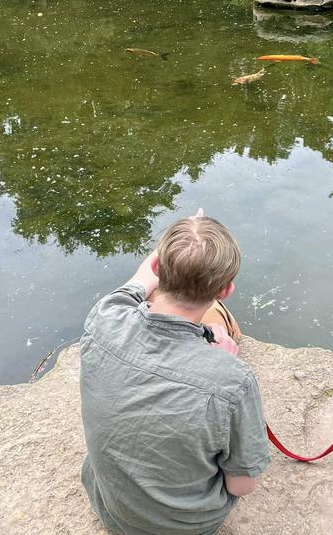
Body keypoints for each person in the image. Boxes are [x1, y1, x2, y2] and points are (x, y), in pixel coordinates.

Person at [79, 209, 271, 535]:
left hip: (111, 510)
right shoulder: (232, 380)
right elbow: (242, 485)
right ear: (225, 291)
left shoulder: (105, 318)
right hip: (186, 527)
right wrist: (222, 363)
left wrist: (186, 236)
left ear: (157, 265)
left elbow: (140, 280)